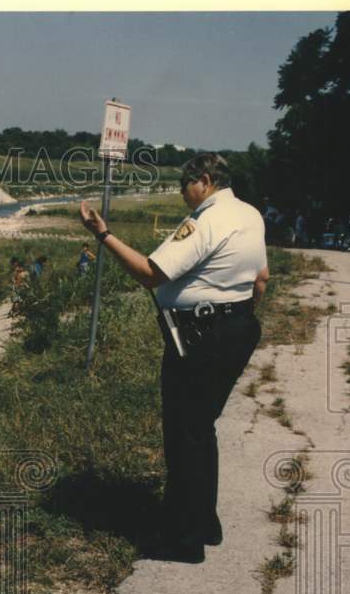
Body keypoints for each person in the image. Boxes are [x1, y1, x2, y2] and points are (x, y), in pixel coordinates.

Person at [79, 152, 269, 564]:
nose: (185, 197)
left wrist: (104, 234)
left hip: (201, 335)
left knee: (184, 435)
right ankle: (205, 522)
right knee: (201, 429)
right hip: (236, 327)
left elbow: (151, 272)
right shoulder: (250, 214)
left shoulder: (205, 219)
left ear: (203, 180)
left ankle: (184, 540)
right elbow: (261, 279)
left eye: (186, 187)